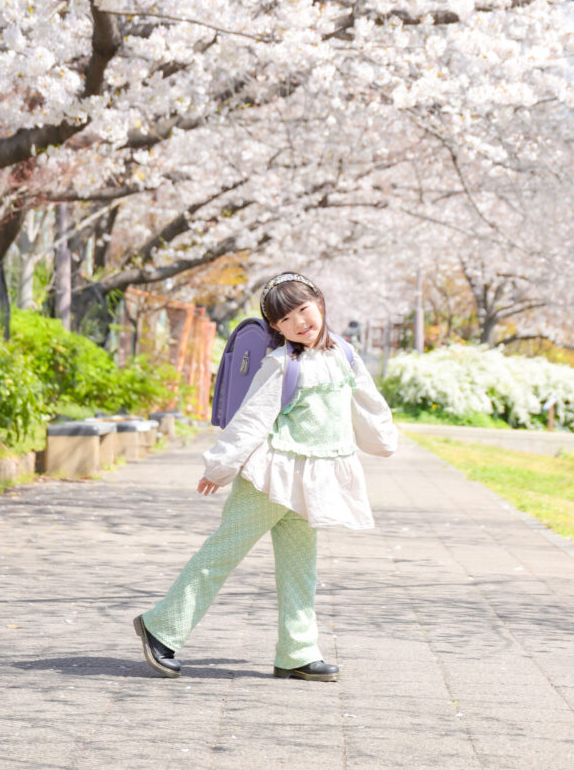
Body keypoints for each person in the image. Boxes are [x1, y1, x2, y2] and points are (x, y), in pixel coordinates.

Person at [133, 272, 397, 682]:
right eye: (286, 319)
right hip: (270, 478)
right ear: (276, 327)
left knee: (300, 568)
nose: (300, 322)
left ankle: (297, 651)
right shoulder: (281, 364)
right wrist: (221, 466)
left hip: (310, 482)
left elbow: (368, 400)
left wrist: (383, 440)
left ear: (320, 303)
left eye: (304, 310)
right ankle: (161, 627)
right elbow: (252, 418)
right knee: (222, 554)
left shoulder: (345, 354)